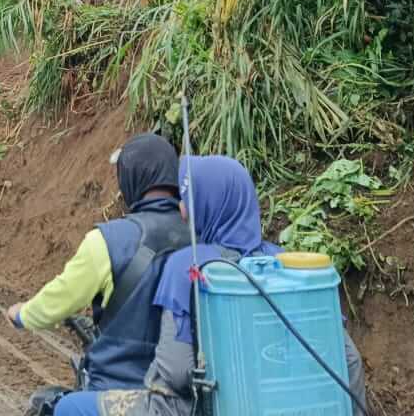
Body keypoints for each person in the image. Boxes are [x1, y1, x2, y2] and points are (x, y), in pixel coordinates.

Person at [52, 156, 368, 416]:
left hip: (184, 409)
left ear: (207, 204)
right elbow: (349, 361)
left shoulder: (188, 265)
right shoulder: (285, 264)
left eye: (187, 199)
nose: (182, 209)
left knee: (68, 407)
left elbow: (176, 371)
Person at [5, 133, 190, 390]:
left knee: (52, 403)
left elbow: (62, 296)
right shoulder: (201, 236)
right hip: (183, 392)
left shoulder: (107, 240)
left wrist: (22, 315)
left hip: (117, 386)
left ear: (130, 178)